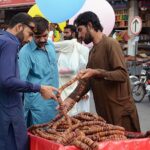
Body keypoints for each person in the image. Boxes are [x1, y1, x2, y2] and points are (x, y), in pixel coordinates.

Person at [62, 11, 141, 132]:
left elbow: (122, 75)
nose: (79, 35)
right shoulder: (92, 51)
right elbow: (87, 81)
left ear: (89, 25)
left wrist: (97, 72)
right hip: (105, 114)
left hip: (121, 113)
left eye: (80, 30)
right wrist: (71, 99)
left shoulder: (111, 44)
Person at [0, 13, 58, 150]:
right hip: (10, 109)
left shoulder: (3, 39)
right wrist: (39, 88)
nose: (30, 38)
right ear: (19, 27)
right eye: (30, 34)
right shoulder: (10, 43)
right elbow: (8, 80)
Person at [19, 17, 59, 127]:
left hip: (54, 104)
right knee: (38, 139)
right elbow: (20, 83)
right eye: (37, 37)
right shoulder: (25, 53)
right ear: (31, 34)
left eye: (45, 36)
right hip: (37, 108)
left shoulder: (50, 46)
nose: (42, 40)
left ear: (49, 30)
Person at [54, 25, 91, 115]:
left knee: (79, 118)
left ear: (74, 34)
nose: (64, 35)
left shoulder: (83, 49)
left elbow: (87, 70)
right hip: (64, 88)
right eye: (64, 33)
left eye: (67, 33)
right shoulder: (64, 49)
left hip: (79, 89)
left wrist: (86, 91)